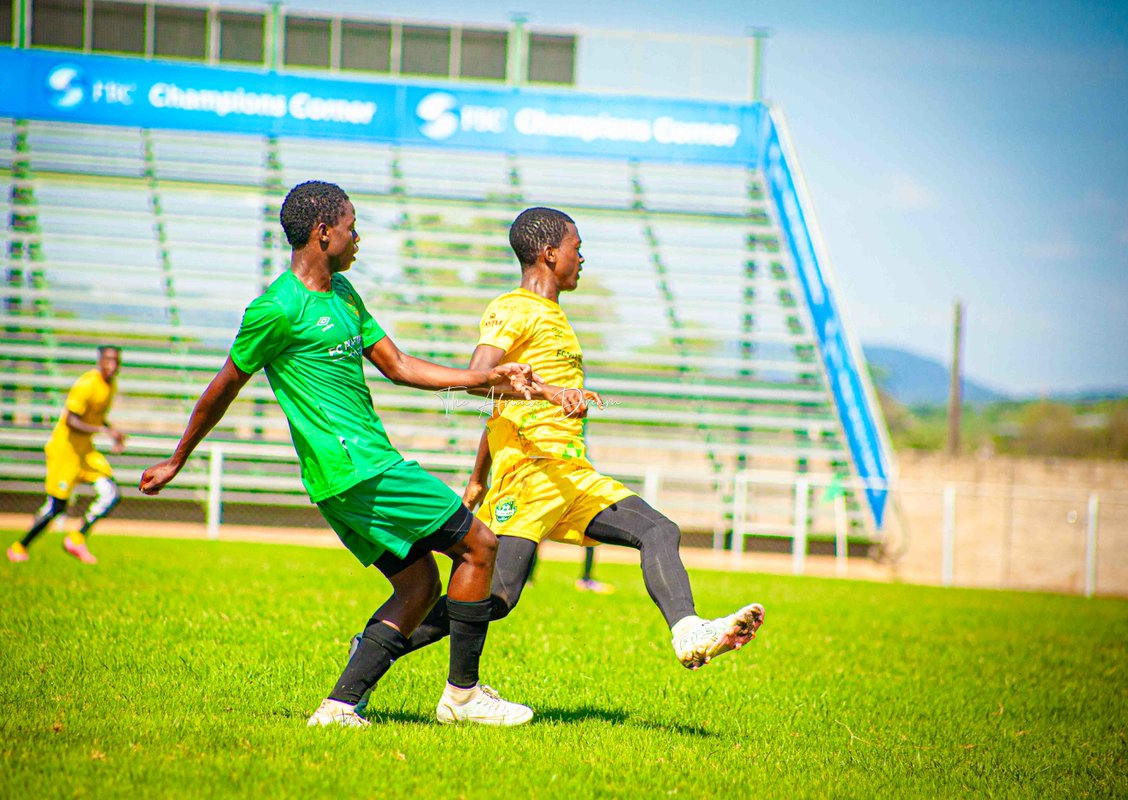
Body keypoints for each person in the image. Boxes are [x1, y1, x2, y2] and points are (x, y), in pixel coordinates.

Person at [139, 181, 538, 728]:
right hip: (358, 470)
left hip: (355, 472)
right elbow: (223, 385)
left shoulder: (345, 294)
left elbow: (398, 365)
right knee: (480, 544)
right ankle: (463, 697)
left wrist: (481, 377)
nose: (358, 236)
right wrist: (178, 458)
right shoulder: (277, 308)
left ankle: (338, 706)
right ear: (323, 233)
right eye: (351, 226)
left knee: (419, 587)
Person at [354, 208, 763, 714]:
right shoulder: (514, 307)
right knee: (497, 598)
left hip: (571, 473)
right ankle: (375, 652)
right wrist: (545, 395)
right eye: (576, 247)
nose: (581, 257)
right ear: (550, 254)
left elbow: (502, 401)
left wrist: (477, 474)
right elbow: (480, 376)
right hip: (528, 474)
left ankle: (688, 632)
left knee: (659, 530)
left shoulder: (556, 317)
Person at [7, 345, 126, 564]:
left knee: (112, 493)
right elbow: (72, 420)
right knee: (57, 507)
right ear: (99, 361)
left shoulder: (111, 386)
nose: (112, 365)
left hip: (85, 451)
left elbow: (95, 417)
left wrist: (111, 432)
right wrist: (102, 430)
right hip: (65, 451)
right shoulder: (87, 384)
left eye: (116, 361)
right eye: (108, 360)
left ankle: (77, 538)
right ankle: (19, 547)